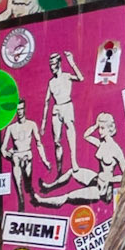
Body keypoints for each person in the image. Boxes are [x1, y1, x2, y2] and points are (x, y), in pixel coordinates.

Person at [0, 98, 47, 205]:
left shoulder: (31, 125)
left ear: (24, 109)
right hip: (16, 156)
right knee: (16, 163)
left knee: (27, 181)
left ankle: (29, 188)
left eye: (21, 109)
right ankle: (21, 200)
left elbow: (39, 143)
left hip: (27, 155)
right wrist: (8, 155)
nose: (19, 112)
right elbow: (3, 148)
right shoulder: (11, 128)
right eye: (17, 110)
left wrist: (45, 160)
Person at [43, 47, 82, 176]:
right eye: (50, 65)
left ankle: (74, 161)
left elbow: (80, 78)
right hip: (56, 109)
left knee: (70, 130)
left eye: (53, 64)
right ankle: (59, 169)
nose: (51, 67)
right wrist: (43, 123)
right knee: (57, 141)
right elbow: (47, 102)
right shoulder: (51, 82)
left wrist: (72, 62)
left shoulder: (66, 76)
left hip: (67, 106)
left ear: (59, 64)